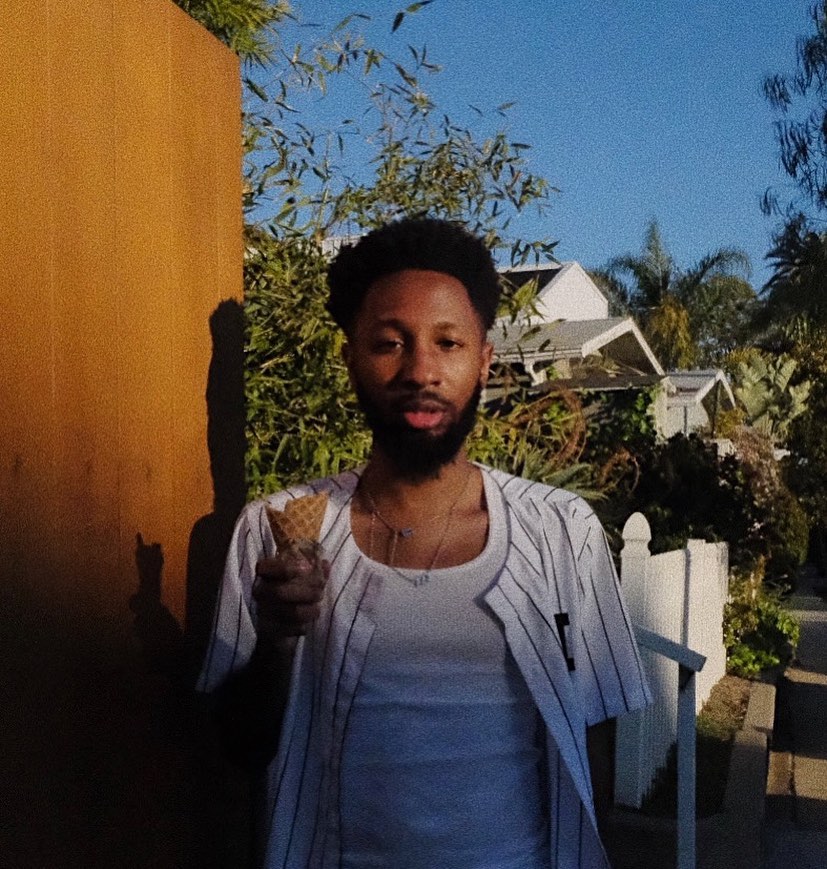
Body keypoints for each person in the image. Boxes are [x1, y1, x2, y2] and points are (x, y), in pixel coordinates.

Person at [198, 217, 651, 869]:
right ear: (350, 358)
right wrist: (276, 640)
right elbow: (238, 750)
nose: (420, 370)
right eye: (389, 343)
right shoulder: (269, 536)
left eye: (448, 342)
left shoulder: (562, 532)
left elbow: (593, 744)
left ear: (484, 361)